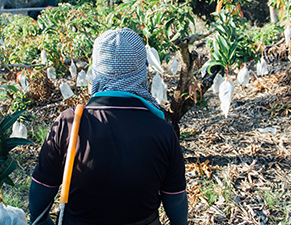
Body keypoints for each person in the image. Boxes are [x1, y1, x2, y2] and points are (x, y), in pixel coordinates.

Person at [29, 28, 188, 225]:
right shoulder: (162, 131)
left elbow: (39, 196)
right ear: (142, 70)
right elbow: (177, 201)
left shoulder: (69, 123)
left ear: (96, 72)